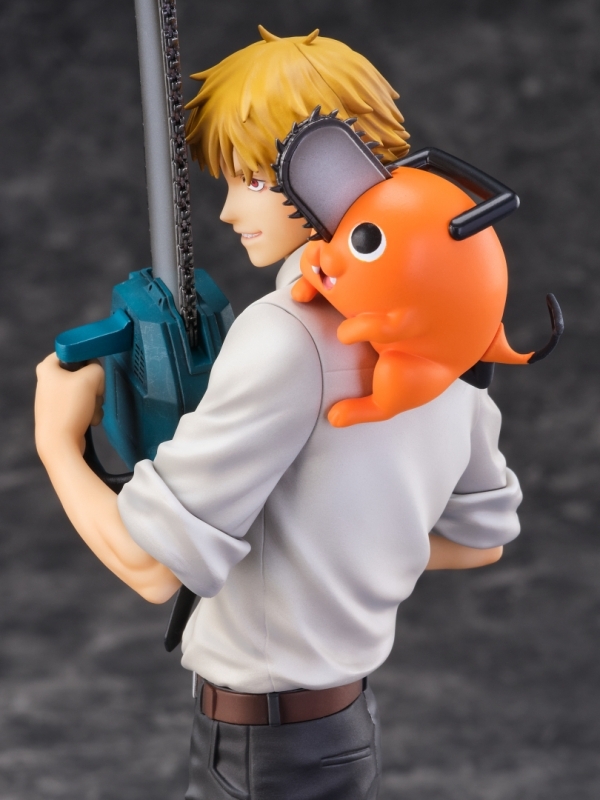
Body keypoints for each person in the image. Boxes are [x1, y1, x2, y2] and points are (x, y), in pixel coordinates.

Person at [35, 26, 522, 800]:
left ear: (330, 170)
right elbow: (477, 542)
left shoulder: (285, 334)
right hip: (344, 731)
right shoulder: (453, 317)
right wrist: (321, 545)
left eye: (256, 180)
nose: (230, 211)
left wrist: (56, 440)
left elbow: (151, 569)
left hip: (262, 750)